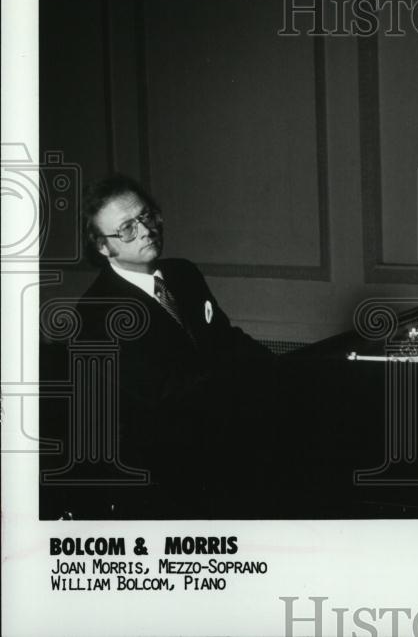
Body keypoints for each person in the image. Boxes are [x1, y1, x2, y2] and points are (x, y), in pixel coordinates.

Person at [57, 174, 274, 517]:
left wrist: (284, 373)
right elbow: (166, 394)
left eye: (146, 216)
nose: (144, 230)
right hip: (163, 476)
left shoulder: (183, 274)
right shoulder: (96, 313)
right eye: (126, 228)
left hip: (224, 442)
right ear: (102, 247)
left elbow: (226, 340)